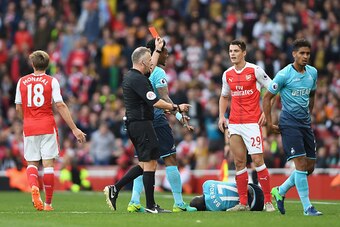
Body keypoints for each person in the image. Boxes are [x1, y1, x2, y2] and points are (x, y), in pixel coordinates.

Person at [104, 37, 191, 213]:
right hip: (144, 123)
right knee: (154, 162)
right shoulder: (138, 79)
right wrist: (177, 109)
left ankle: (123, 193)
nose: (152, 64)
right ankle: (154, 204)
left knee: (146, 163)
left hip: (139, 123)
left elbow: (150, 67)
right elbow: (156, 101)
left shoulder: (134, 75)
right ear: (144, 62)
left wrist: (157, 49)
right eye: (149, 60)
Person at [126, 38, 196, 213]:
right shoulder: (158, 73)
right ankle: (179, 203)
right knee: (170, 158)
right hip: (156, 120)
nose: (168, 55)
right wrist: (180, 115)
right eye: (165, 51)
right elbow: (163, 99)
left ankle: (134, 201)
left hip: (141, 121)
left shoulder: (139, 74)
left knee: (144, 161)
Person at [14, 50, 86, 211]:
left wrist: (26, 120)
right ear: (48, 64)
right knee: (48, 165)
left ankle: (34, 188)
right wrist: (74, 129)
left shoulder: (22, 81)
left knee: (32, 163)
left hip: (29, 126)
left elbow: (18, 108)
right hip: (47, 125)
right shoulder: (51, 81)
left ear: (33, 64)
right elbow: (60, 105)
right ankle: (48, 204)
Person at [263, 38, 322, 216]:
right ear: (294, 54)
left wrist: (309, 114)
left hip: (305, 123)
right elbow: (267, 98)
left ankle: (280, 191)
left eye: (308, 53)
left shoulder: (313, 73)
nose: (305, 56)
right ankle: (307, 207)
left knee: (309, 167)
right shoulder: (284, 74)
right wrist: (269, 121)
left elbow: (312, 95)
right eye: (302, 53)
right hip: (289, 122)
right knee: (301, 164)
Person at [218, 39, 275, 212]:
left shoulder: (255, 70)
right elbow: (224, 96)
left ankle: (268, 201)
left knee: (258, 160)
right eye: (230, 51)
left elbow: (273, 89)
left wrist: (266, 112)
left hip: (252, 123)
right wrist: (221, 116)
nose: (232, 54)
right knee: (239, 162)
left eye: (236, 50)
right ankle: (243, 203)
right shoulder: (227, 74)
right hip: (234, 123)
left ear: (244, 53)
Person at [189, 180, 264, 211]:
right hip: (254, 188)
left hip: (254, 204)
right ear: (199, 196)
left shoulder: (212, 208)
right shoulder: (207, 184)